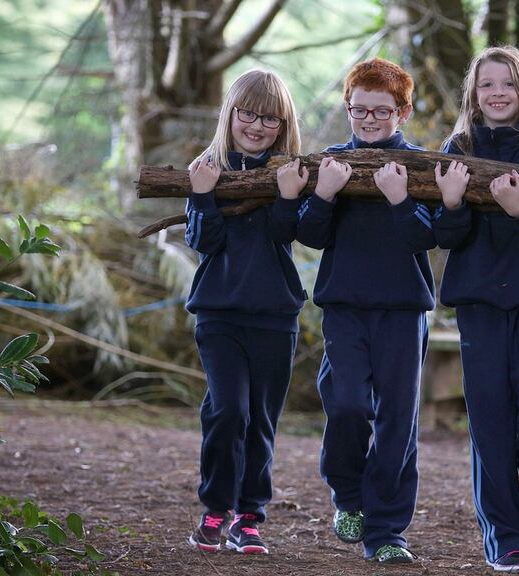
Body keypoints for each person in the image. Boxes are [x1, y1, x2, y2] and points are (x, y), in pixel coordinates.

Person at [433, 45, 519, 574]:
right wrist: (450, 203)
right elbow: (446, 236)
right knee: (490, 422)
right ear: (473, 91)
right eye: (486, 84)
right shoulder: (457, 145)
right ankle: (505, 538)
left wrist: (518, 213)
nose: (496, 93)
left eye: (507, 84)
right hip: (479, 304)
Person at [296, 58, 435, 564]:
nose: (369, 119)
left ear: (402, 111)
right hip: (345, 306)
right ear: (348, 108)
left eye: (381, 110)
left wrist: (400, 200)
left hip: (403, 308)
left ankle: (387, 531)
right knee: (348, 404)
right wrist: (325, 196)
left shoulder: (420, 165)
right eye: (359, 110)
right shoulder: (330, 162)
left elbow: (429, 235)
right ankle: (348, 497)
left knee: (397, 419)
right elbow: (309, 236)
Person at [184, 69, 309, 555]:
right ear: (231, 114)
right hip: (219, 314)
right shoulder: (207, 166)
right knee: (228, 410)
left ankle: (249, 516)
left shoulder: (293, 170)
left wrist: (288, 194)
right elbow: (204, 241)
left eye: (270, 119)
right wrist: (201, 195)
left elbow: (285, 235)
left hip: (276, 316)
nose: (257, 126)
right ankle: (215, 509)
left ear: (283, 124)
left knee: (260, 418)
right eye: (248, 114)